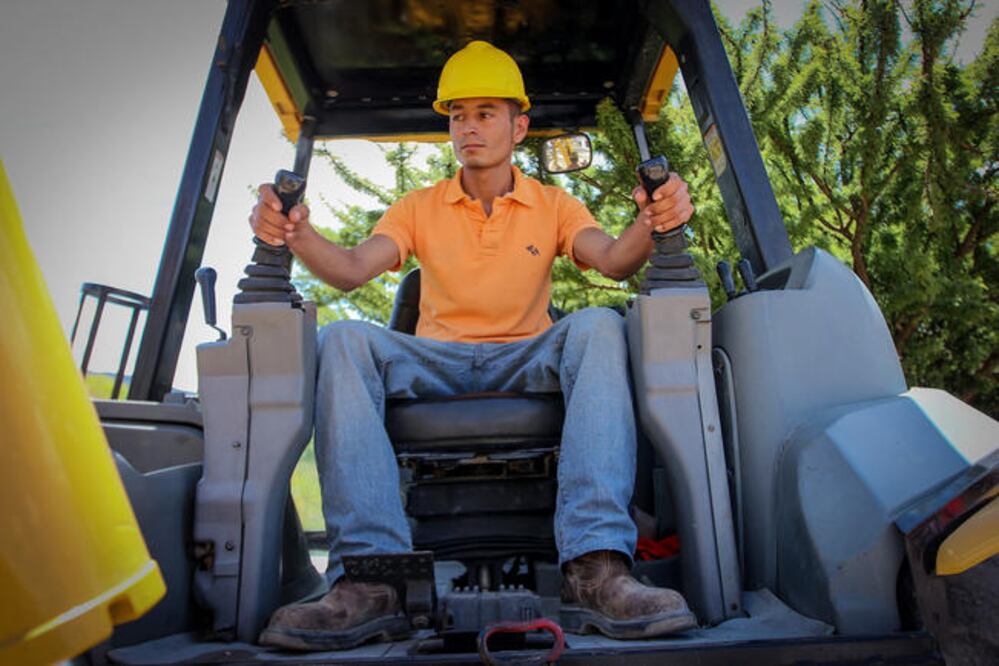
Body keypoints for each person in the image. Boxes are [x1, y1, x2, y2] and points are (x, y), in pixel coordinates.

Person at [252, 41, 696, 651]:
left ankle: (597, 569)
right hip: (436, 362)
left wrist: (653, 219)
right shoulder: (418, 207)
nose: (469, 126)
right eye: (458, 114)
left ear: (520, 125)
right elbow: (353, 269)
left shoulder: (553, 203)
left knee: (598, 324)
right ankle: (372, 580)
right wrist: (296, 232)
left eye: (486, 112)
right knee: (346, 339)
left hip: (527, 356)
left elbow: (616, 263)